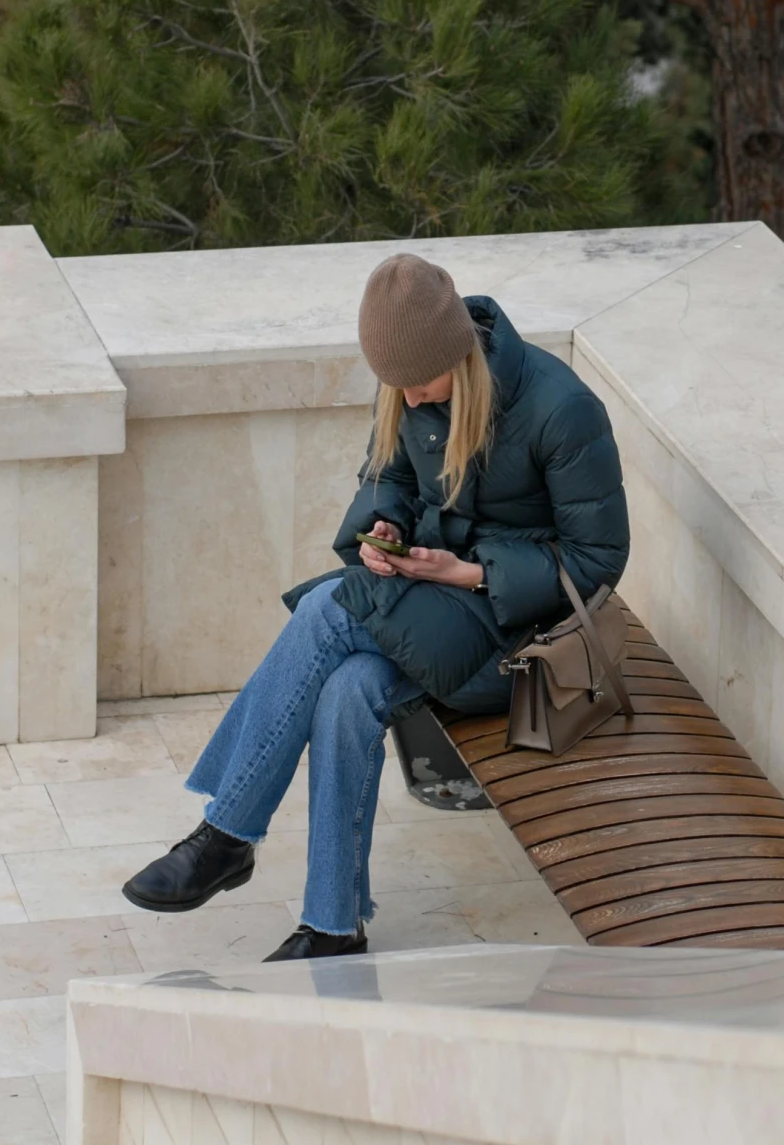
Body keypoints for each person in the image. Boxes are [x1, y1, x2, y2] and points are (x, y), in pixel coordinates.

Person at [120, 252, 630, 960]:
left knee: (328, 612)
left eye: (422, 384)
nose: (411, 398)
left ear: (462, 357)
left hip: (518, 637)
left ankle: (228, 833)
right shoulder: (405, 388)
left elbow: (598, 562)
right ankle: (332, 926)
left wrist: (472, 572)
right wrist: (385, 527)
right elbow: (386, 476)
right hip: (426, 601)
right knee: (347, 688)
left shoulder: (560, 407)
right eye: (397, 386)